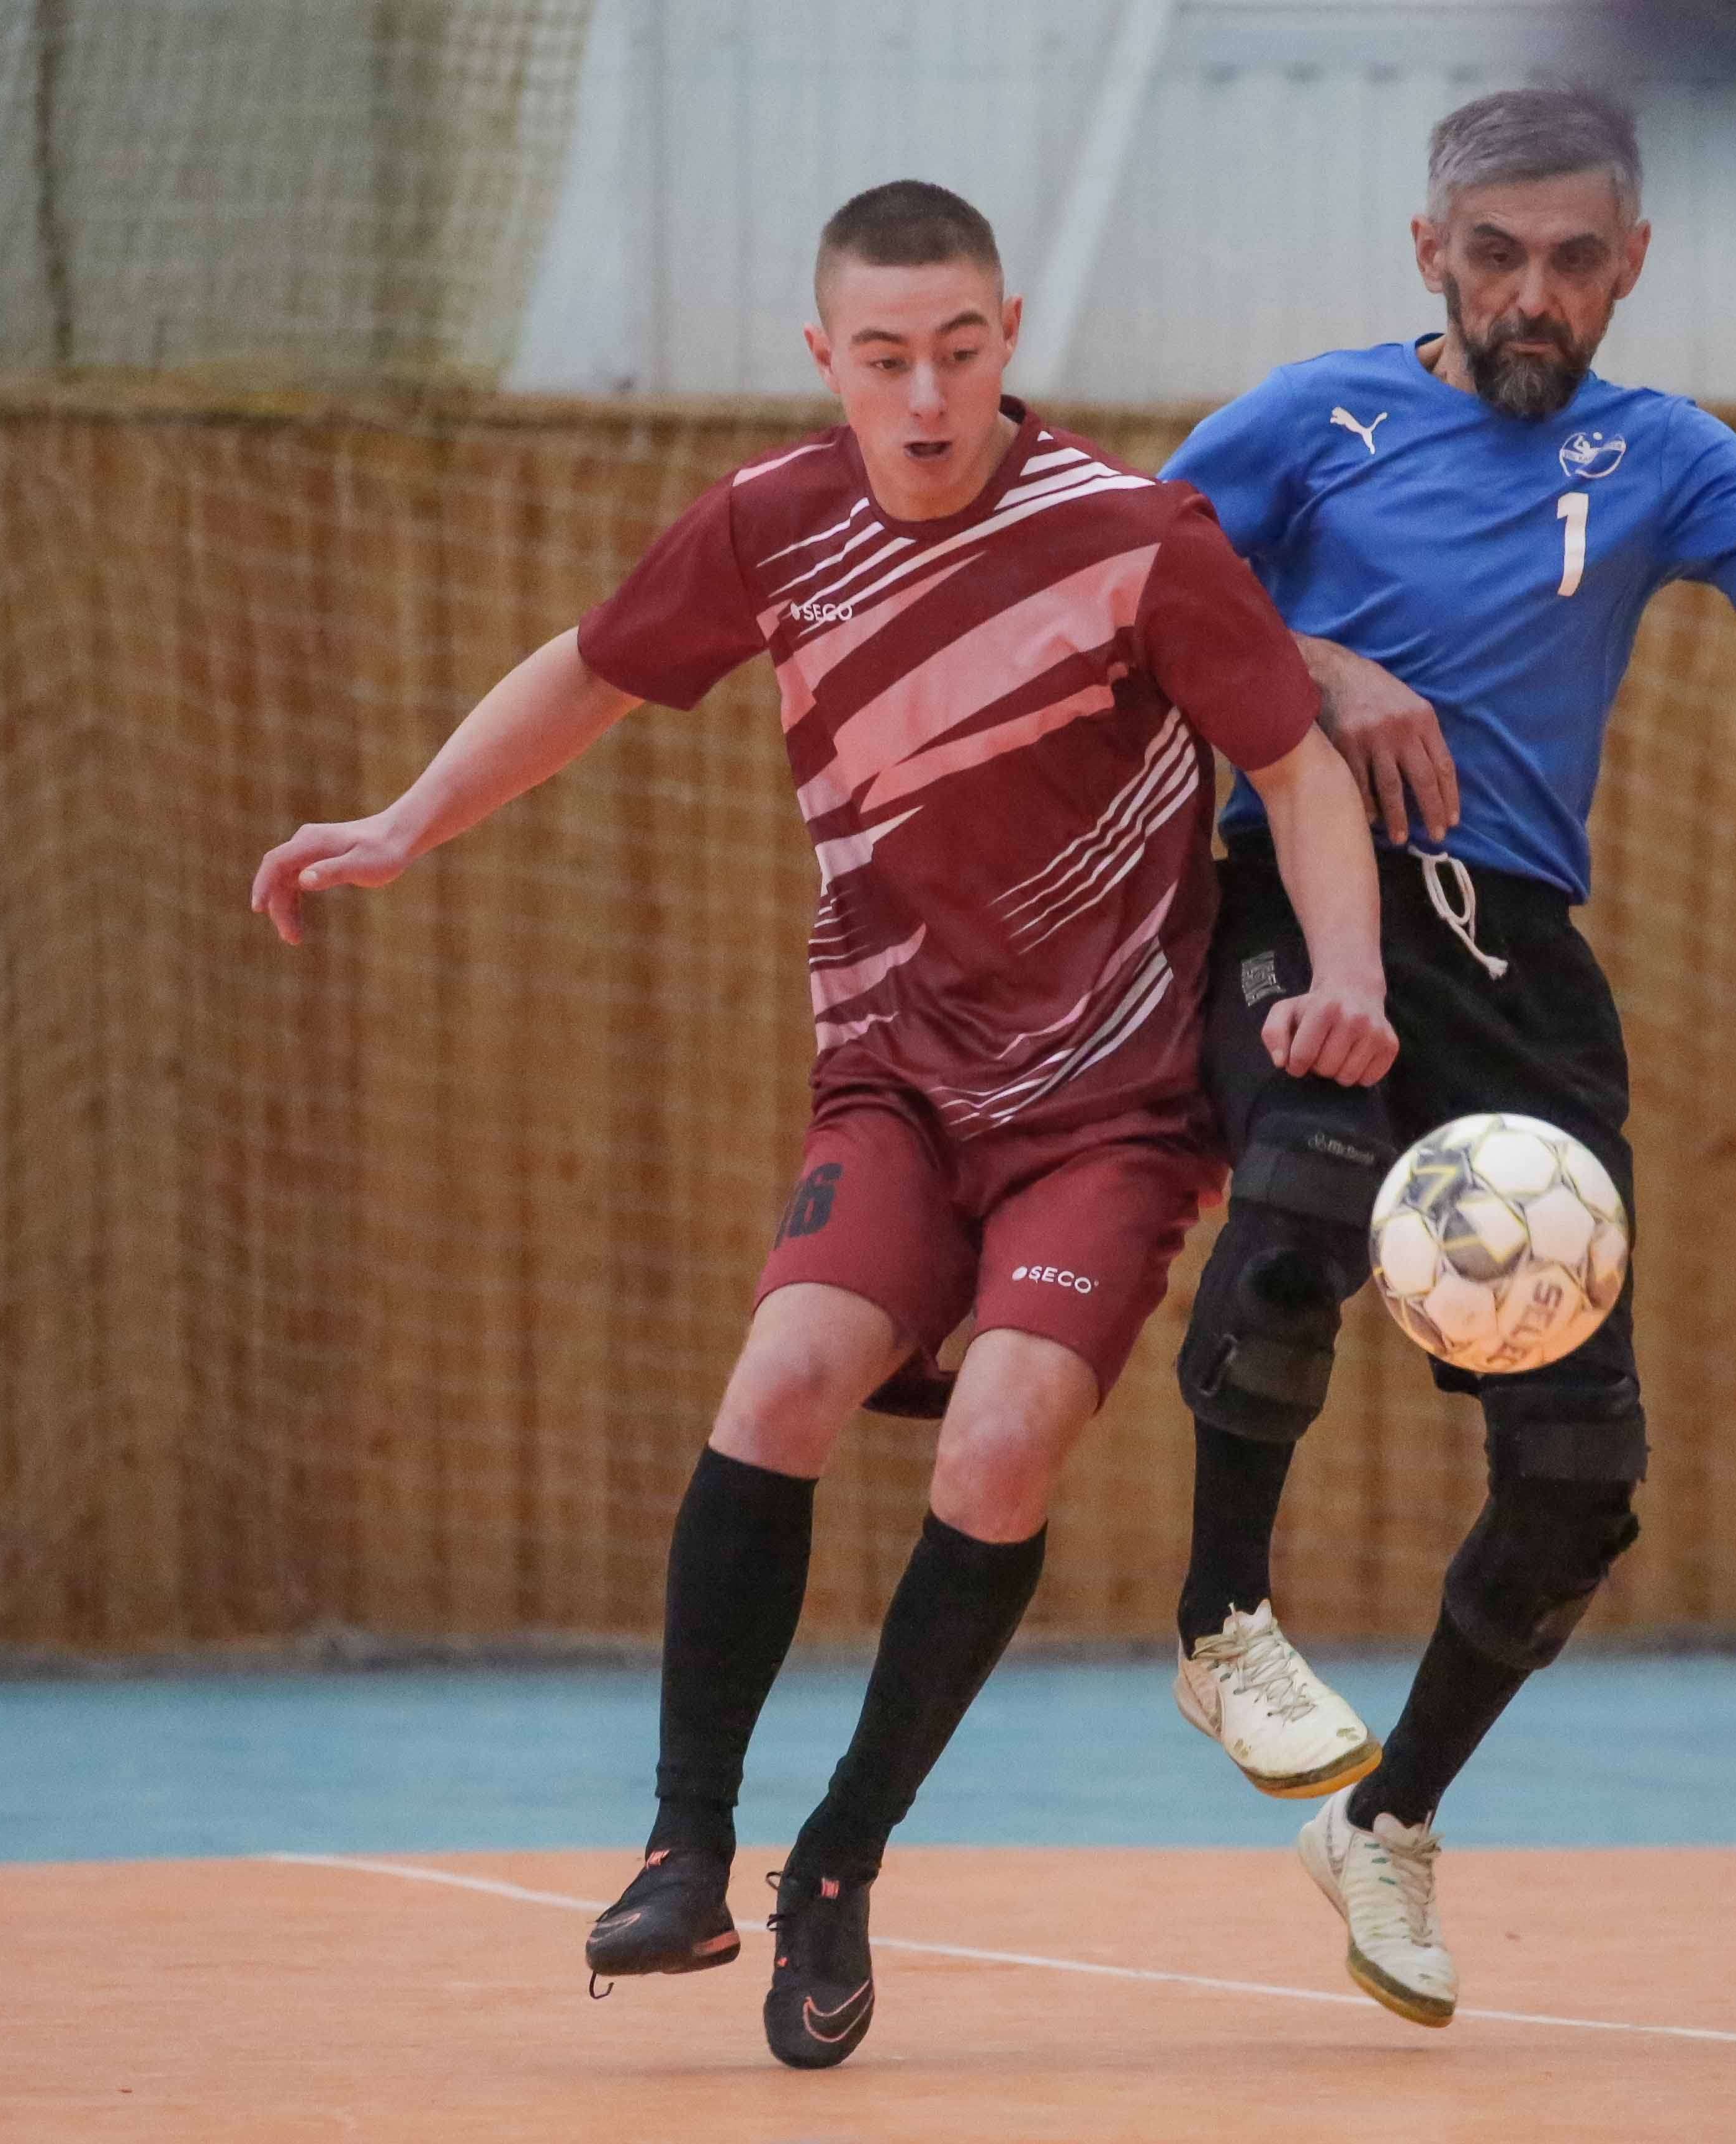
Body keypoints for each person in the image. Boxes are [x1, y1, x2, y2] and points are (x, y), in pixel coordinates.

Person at [247, 179, 1395, 2070]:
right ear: (825, 360)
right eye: (883, 360)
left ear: (1006, 340)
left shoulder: (1133, 536)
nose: (925, 397)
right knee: (780, 1381)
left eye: (958, 352)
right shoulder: (772, 525)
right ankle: (685, 1846)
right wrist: (403, 820)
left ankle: (840, 1862)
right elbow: (590, 670)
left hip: (1104, 1110)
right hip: (893, 1082)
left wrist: (1342, 974)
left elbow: (1291, 756)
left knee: (1002, 1447)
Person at [1155, 87, 1736, 2027]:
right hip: (1302, 895)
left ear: (1631, 266)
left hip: (1516, 963)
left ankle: (1385, 1828)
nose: (1532, 292)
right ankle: (1220, 1618)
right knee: (1302, 1199)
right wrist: (1323, 670)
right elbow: (1125, 602)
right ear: (1427, 250)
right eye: (1494, 254)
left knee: (1581, 1472)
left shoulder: (1663, 453)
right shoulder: (1309, 421)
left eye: (1573, 260)